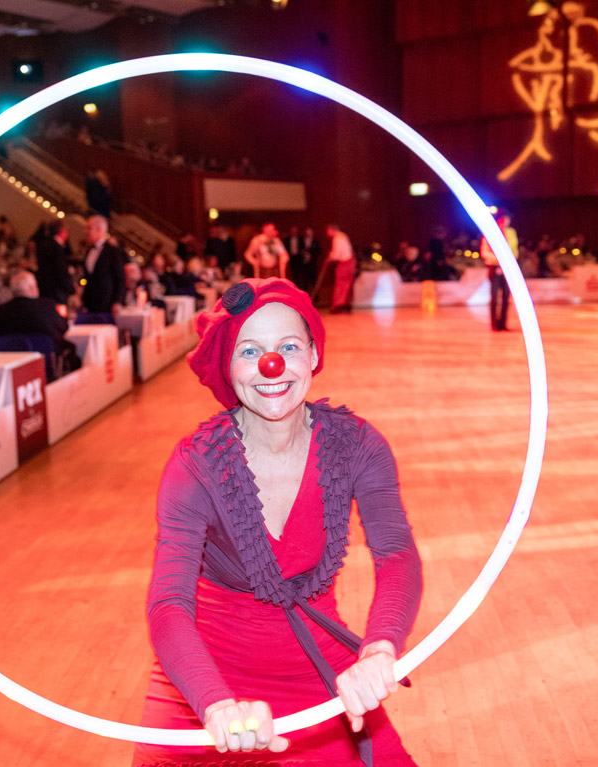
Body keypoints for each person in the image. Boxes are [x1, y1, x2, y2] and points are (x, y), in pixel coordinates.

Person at [133, 278, 422, 767]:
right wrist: (215, 703)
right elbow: (168, 603)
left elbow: (395, 554)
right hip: (206, 676)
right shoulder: (193, 464)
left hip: (316, 666)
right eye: (251, 351)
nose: (273, 364)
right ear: (230, 367)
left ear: (313, 355)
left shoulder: (359, 445)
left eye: (288, 346)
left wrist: (379, 647)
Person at [480, 210, 519, 331]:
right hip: (495, 268)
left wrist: (506, 262)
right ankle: (494, 324)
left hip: (508, 269)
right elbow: (485, 252)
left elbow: (514, 251)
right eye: (504, 219)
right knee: (495, 297)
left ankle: (503, 324)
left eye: (507, 219)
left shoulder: (511, 233)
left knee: (506, 297)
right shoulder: (490, 232)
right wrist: (499, 261)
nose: (506, 221)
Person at [80, 215, 126, 316]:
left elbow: (120, 279)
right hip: (89, 303)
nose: (85, 232)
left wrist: (117, 301)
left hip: (106, 303)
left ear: (99, 229)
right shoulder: (89, 250)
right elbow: (88, 277)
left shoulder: (113, 251)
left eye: (89, 228)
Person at [35, 219, 74, 306]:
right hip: (56, 292)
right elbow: (61, 272)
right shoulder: (57, 248)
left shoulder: (42, 244)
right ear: (63, 232)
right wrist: (71, 290)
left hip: (42, 288)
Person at [326, 224, 356, 313]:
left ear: (332, 230)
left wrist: (330, 257)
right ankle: (346, 303)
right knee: (347, 283)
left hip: (344, 263)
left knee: (341, 283)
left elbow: (337, 254)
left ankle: (339, 304)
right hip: (349, 262)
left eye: (328, 231)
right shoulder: (343, 236)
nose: (327, 233)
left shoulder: (337, 238)